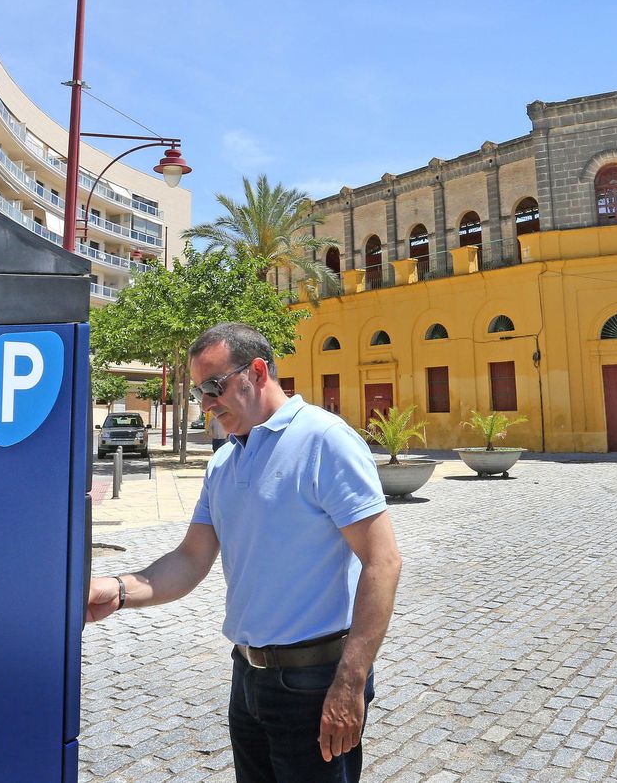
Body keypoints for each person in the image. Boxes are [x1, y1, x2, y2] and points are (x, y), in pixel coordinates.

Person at [86, 322, 401, 782]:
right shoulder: (224, 460)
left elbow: (383, 560)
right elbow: (190, 559)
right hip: (248, 676)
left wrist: (351, 681)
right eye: (199, 393)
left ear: (257, 371)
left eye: (213, 387)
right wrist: (115, 590)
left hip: (314, 681)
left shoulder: (324, 440)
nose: (206, 405)